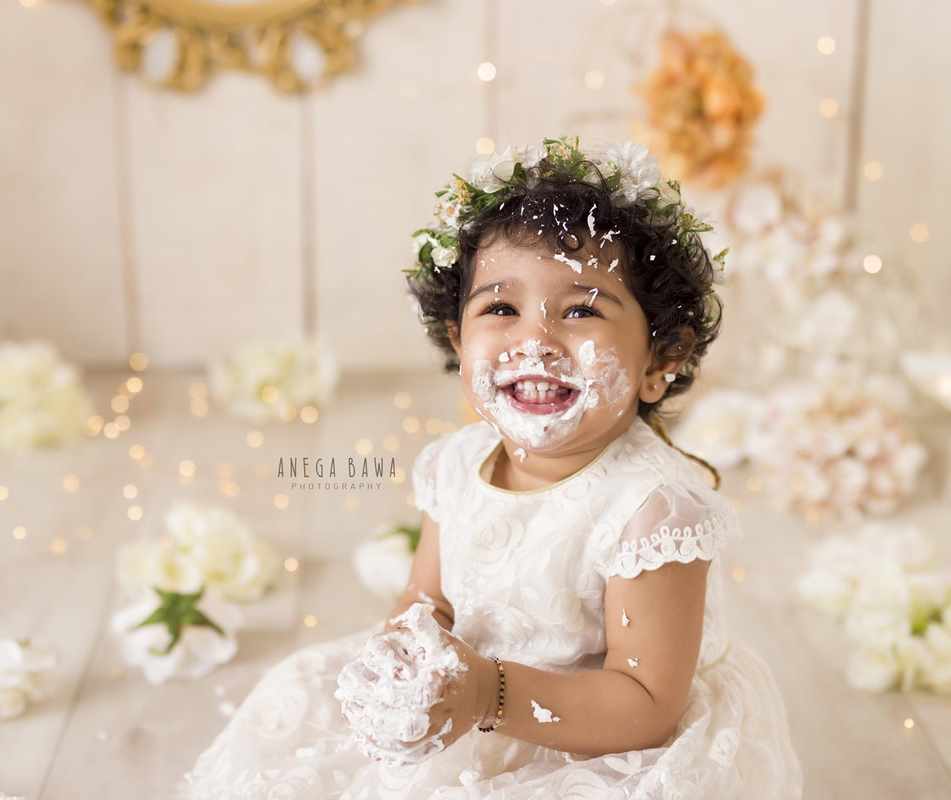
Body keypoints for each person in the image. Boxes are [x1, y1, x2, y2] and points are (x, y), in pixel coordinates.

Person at [180, 136, 804, 799]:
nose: (534, 339)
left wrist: (488, 693)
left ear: (659, 361)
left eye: (582, 310)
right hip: (471, 703)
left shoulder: (650, 511)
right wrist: (406, 665)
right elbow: (430, 598)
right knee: (298, 715)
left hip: (595, 738)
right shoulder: (455, 465)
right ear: (457, 337)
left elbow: (646, 705)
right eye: (500, 308)